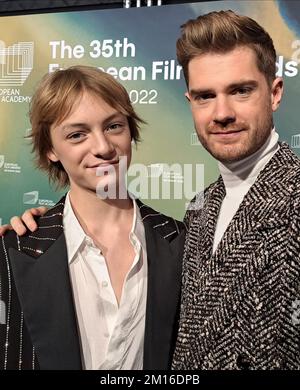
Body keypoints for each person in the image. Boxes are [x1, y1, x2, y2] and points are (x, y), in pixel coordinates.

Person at [0, 65, 185, 370]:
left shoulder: (181, 242)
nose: (102, 147)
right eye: (77, 134)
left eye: (113, 126)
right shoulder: (15, 250)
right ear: (50, 150)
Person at [171, 10, 300, 369]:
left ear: (274, 93)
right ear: (190, 103)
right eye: (205, 96)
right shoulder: (197, 208)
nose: (221, 112)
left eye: (240, 90)